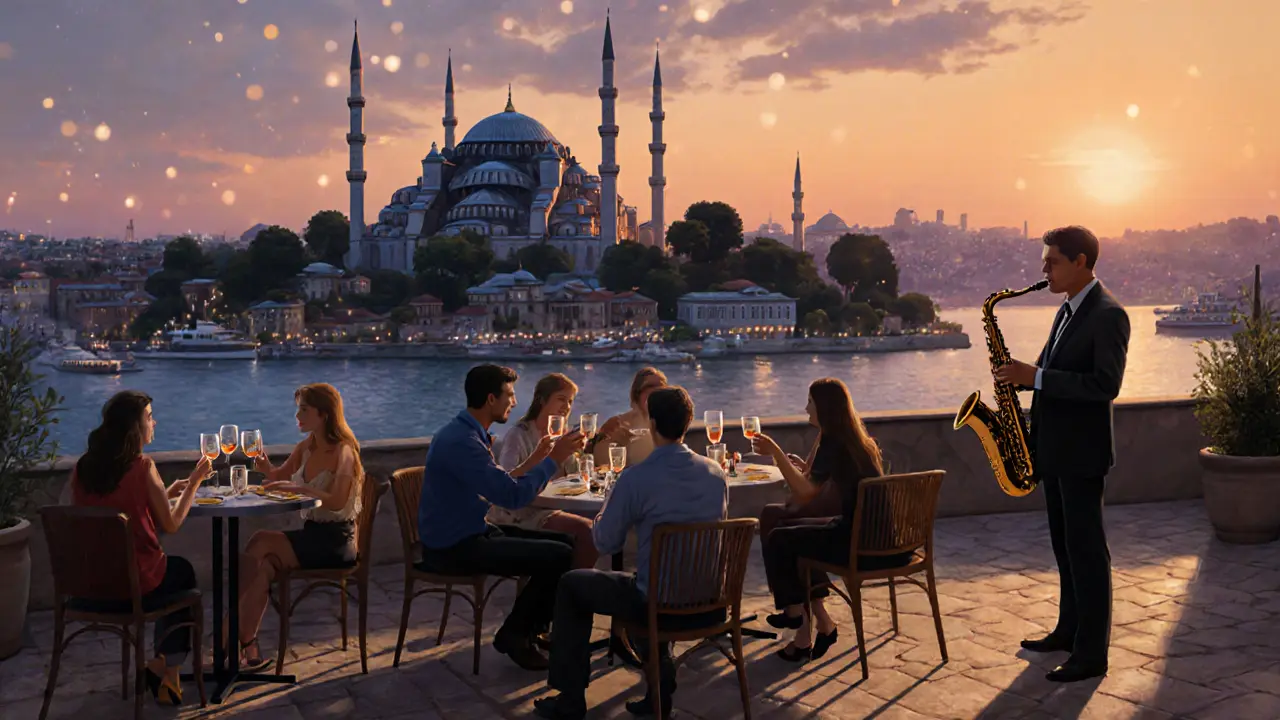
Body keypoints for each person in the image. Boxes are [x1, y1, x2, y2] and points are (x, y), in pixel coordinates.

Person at [534, 387, 728, 720]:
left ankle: (570, 700)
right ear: (689, 422)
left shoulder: (636, 479)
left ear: (651, 424)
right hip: (711, 604)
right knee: (654, 580)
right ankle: (657, 684)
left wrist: (607, 505)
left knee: (573, 584)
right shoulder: (716, 474)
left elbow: (606, 543)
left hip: (657, 605)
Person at [994, 225, 1129, 683]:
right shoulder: (1069, 310)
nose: (1043, 269)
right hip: (1056, 451)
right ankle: (1068, 630)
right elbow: (1052, 373)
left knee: (1089, 553)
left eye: (1052, 261)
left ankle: (1092, 654)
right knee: (1066, 549)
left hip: (1082, 454)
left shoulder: (1108, 314)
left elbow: (1104, 385)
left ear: (1081, 262)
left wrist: (1035, 378)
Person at [419, 364, 586, 671]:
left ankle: (530, 629)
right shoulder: (464, 443)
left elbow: (500, 483)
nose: (514, 401)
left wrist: (536, 460)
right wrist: (553, 459)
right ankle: (517, 635)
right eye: (509, 395)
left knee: (568, 543)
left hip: (472, 531)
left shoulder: (466, 434)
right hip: (453, 546)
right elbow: (511, 497)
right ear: (490, 398)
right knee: (559, 556)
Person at [753, 378, 911, 662]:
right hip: (884, 540)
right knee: (789, 533)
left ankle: (794, 614)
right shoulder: (852, 439)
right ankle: (814, 622)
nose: (805, 408)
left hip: (859, 544)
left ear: (823, 407)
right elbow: (818, 483)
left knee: (780, 536)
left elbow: (805, 492)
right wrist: (803, 469)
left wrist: (776, 453)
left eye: (810, 402)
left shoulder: (832, 440)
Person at [71, 391, 212, 706]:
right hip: (132, 588)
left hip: (89, 587)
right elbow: (172, 525)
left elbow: (109, 512)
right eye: (149, 416)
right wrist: (194, 483)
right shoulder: (142, 466)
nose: (154, 421)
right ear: (135, 427)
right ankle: (167, 667)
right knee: (181, 572)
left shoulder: (82, 469)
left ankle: (165, 670)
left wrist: (162, 493)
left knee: (173, 573)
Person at [237, 383, 364, 671]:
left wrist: (302, 490)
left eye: (304, 410)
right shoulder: (306, 447)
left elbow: (337, 501)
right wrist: (265, 468)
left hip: (336, 541)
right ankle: (248, 645)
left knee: (260, 542)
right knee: (264, 565)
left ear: (324, 415)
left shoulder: (345, 451)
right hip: (311, 536)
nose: (297, 415)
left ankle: (226, 639)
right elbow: (276, 479)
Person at [491, 373, 599, 570]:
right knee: (590, 531)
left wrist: (580, 452)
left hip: (550, 507)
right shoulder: (519, 435)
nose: (566, 407)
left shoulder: (561, 436)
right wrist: (548, 456)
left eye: (570, 401)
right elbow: (506, 481)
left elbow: (574, 479)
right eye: (561, 399)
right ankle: (572, 590)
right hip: (520, 513)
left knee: (601, 524)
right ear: (542, 400)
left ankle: (566, 587)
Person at [589, 367, 666, 468]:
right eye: (649, 387)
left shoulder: (671, 424)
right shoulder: (617, 424)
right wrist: (620, 445)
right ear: (636, 394)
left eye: (661, 387)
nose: (656, 391)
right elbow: (601, 465)